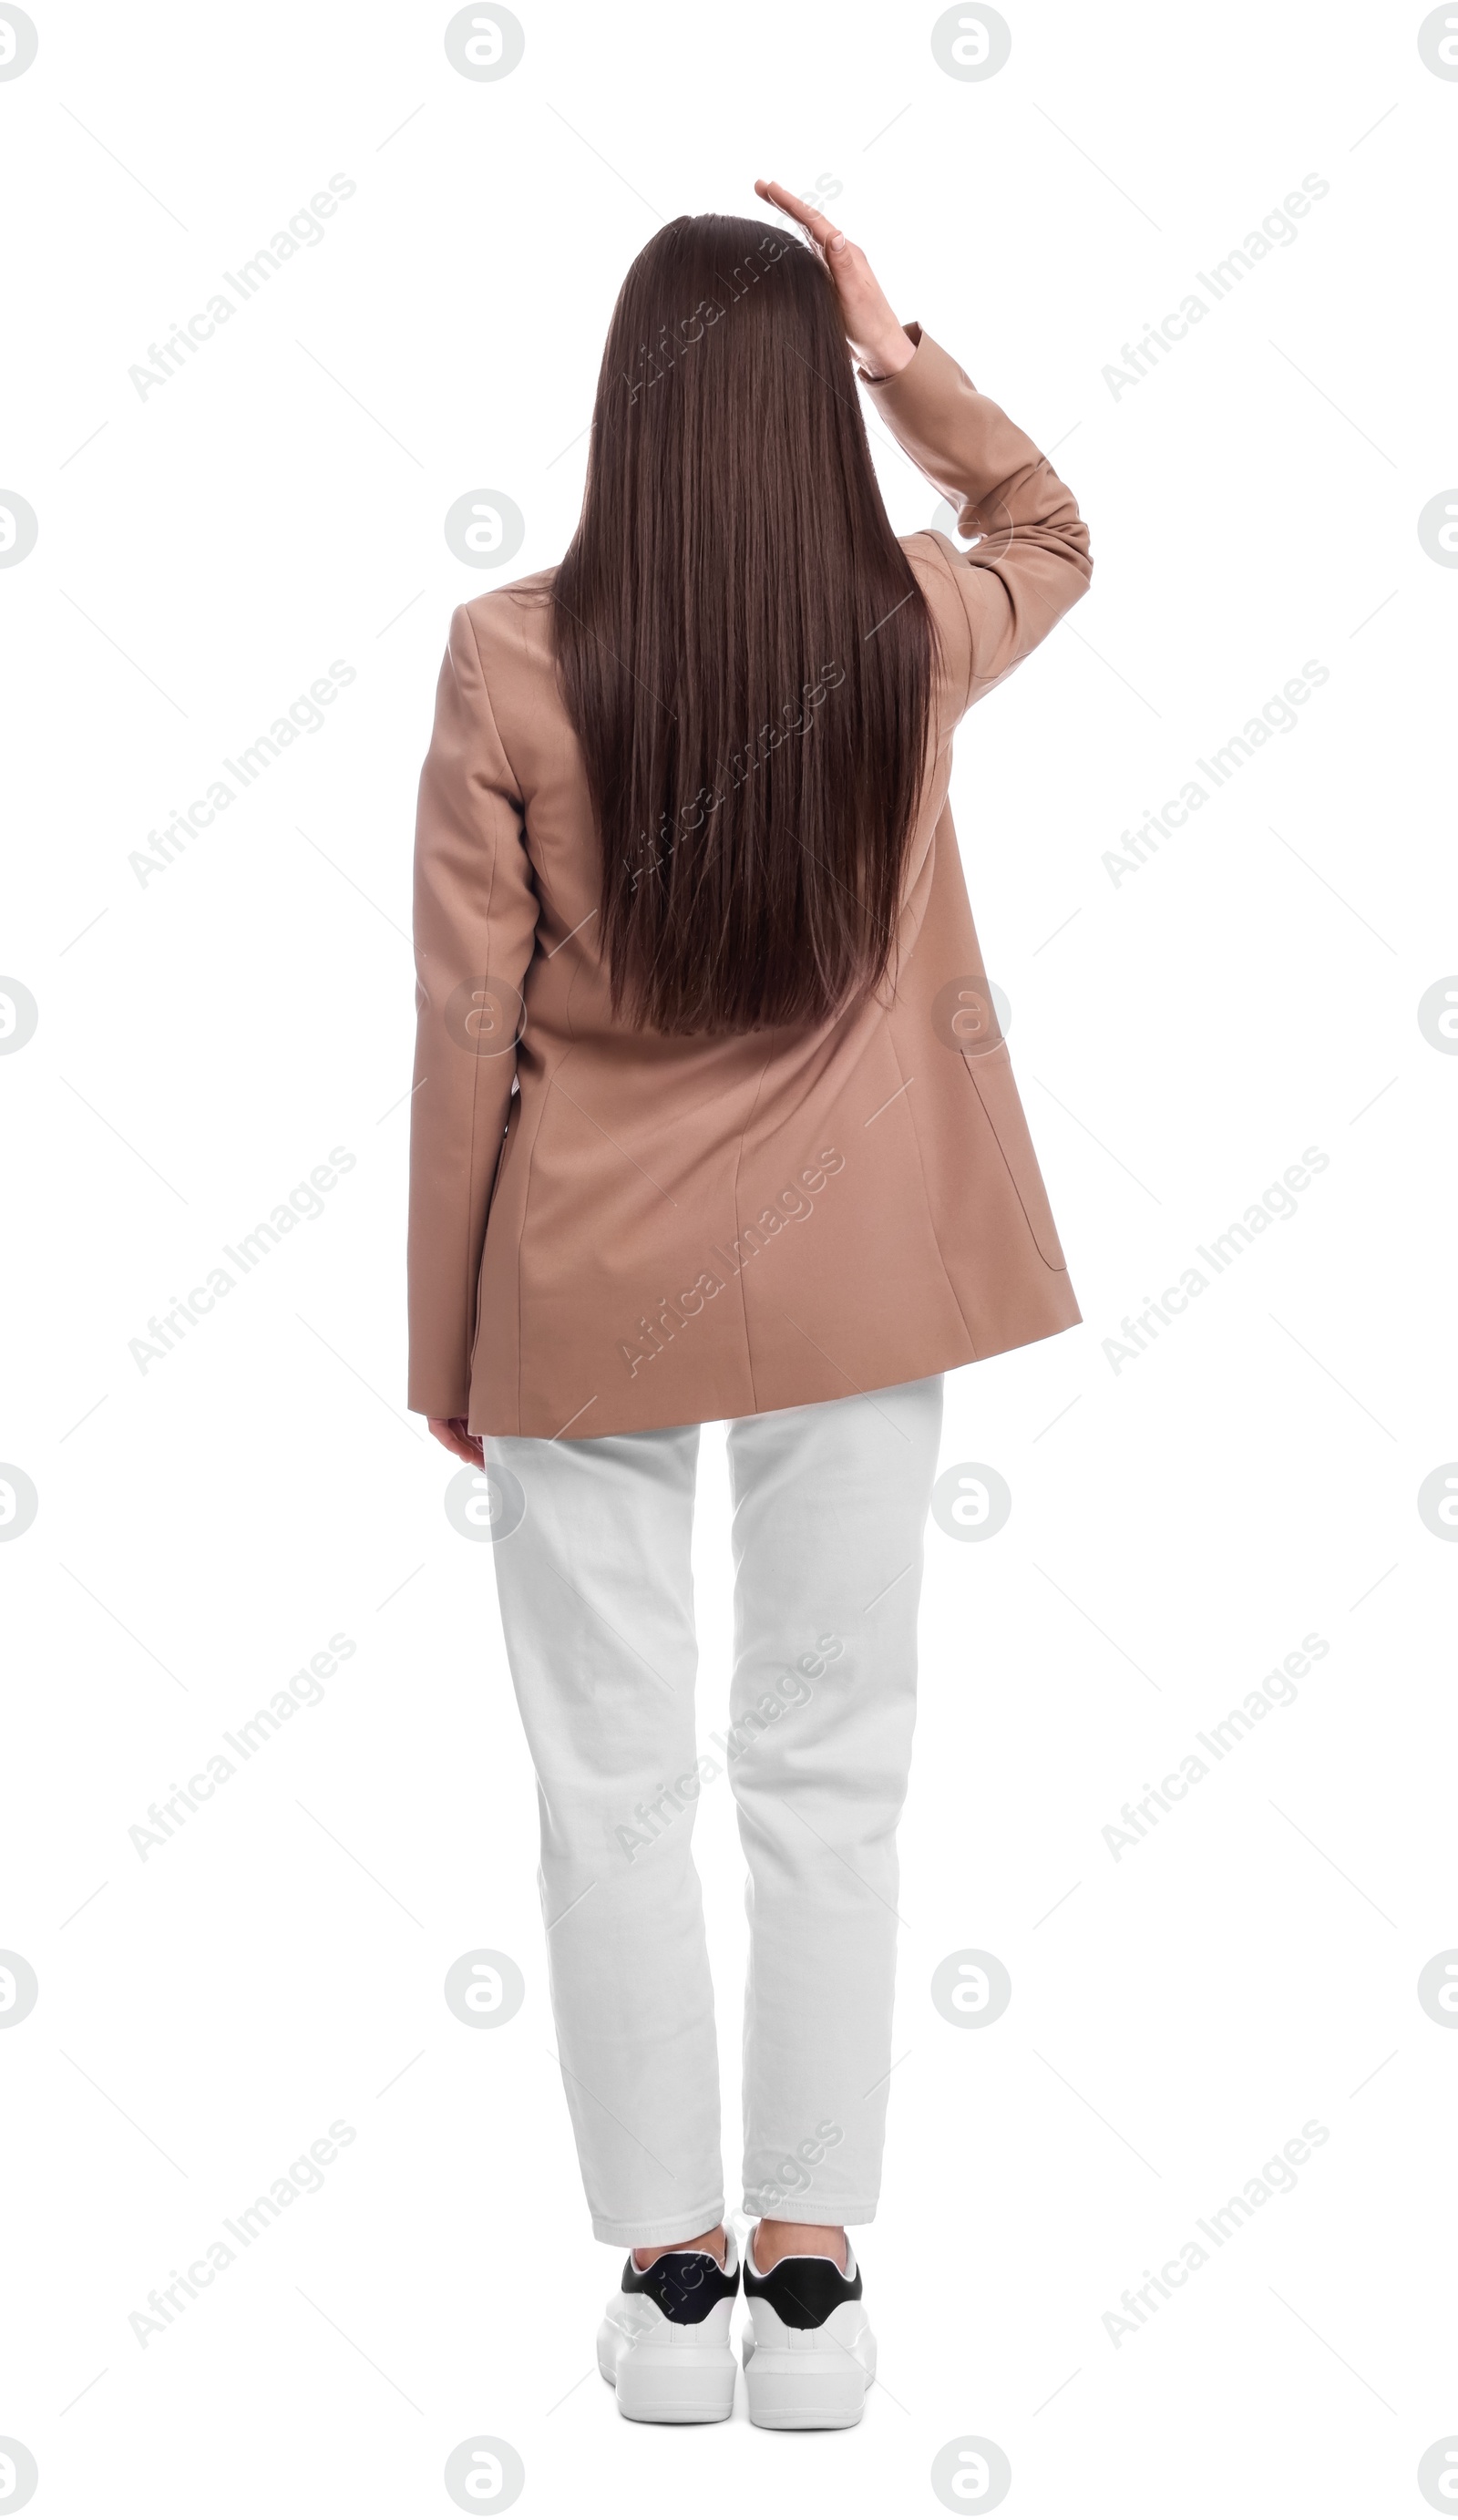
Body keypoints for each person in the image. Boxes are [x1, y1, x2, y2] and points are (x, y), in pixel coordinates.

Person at [406, 178, 1092, 2430]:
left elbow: (461, 1030)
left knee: (606, 1787)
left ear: (619, 408)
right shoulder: (906, 624)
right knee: (830, 1774)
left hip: (581, 1292)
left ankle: (666, 2280)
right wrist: (908, 365)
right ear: (809, 412)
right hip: (855, 1293)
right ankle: (811, 2280)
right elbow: (1054, 527)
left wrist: (445, 1347)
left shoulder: (509, 655)